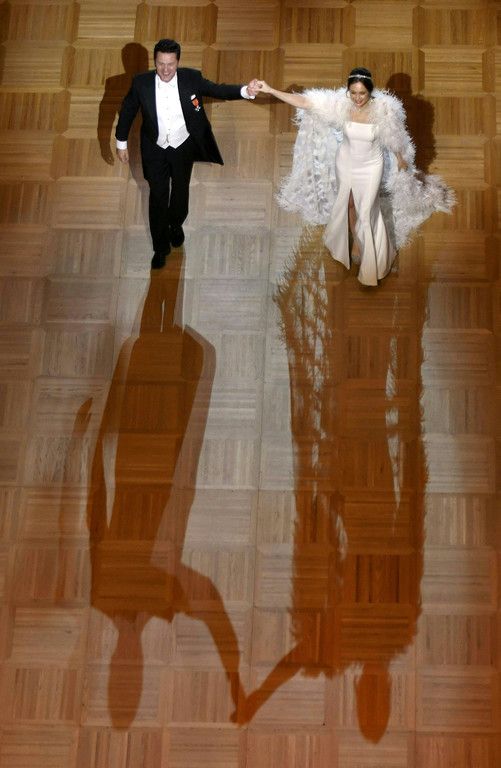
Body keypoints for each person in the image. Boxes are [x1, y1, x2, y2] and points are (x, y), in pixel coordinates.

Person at [256, 68, 455, 286]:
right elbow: (305, 101)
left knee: (367, 211)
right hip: (345, 162)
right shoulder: (340, 104)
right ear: (348, 91)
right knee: (349, 203)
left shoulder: (384, 110)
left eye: (362, 93)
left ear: (370, 91)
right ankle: (356, 242)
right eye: (353, 93)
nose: (357, 98)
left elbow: (395, 139)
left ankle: (372, 263)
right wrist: (270, 90)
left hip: (370, 166)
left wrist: (400, 159)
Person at [116, 38, 260, 269]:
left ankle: (176, 224)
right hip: (154, 149)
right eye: (161, 64)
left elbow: (217, 89)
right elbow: (127, 111)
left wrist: (246, 90)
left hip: (182, 147)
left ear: (178, 62)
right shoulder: (141, 83)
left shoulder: (191, 78)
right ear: (154, 61)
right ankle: (160, 248)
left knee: (181, 191)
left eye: (170, 64)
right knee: (157, 197)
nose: (165, 70)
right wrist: (121, 143)